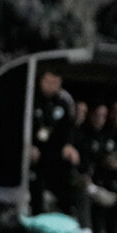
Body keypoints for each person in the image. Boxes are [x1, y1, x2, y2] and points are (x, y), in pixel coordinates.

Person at [28, 69, 81, 216]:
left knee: (68, 173)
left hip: (55, 153)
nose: (51, 86)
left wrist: (69, 145)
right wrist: (29, 145)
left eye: (55, 83)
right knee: (36, 183)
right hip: (36, 154)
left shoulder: (63, 103)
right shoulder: (32, 101)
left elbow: (68, 129)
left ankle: (65, 214)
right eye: (47, 82)